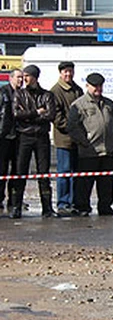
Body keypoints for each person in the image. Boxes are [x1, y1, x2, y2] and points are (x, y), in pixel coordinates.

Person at [67, 73, 113, 217]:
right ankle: (82, 207)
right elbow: (73, 127)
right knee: (84, 183)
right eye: (95, 86)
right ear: (87, 86)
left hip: (107, 152)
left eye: (100, 86)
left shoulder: (109, 104)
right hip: (89, 151)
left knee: (106, 183)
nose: (98, 89)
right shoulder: (79, 105)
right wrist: (84, 142)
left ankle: (105, 207)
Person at [9, 65, 56, 218]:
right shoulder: (19, 94)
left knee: (43, 172)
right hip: (24, 137)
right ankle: (16, 206)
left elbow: (50, 115)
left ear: (35, 77)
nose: (24, 79)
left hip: (41, 137)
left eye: (27, 76)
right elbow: (17, 113)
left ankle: (47, 208)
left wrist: (29, 117)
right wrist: (36, 112)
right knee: (20, 172)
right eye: (23, 76)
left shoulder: (47, 95)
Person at [50, 61, 84, 216]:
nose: (68, 74)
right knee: (64, 172)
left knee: (77, 173)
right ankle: (63, 204)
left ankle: (76, 202)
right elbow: (57, 117)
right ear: (60, 73)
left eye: (70, 71)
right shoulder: (55, 91)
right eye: (65, 72)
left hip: (78, 140)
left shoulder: (78, 90)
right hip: (64, 139)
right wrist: (72, 129)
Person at [0, 69, 22, 213]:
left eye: (22, 77)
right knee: (1, 170)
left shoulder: (23, 94)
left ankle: (13, 201)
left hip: (19, 137)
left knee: (17, 170)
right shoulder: (3, 92)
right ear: (11, 78)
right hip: (3, 136)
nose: (21, 80)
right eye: (18, 77)